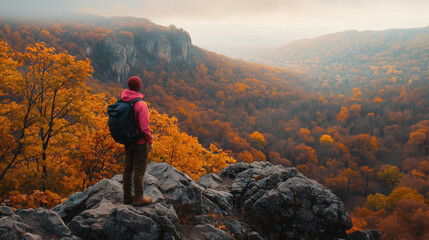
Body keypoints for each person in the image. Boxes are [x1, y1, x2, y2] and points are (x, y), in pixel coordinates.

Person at [121, 76, 153, 206]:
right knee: (139, 169)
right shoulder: (141, 104)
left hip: (128, 140)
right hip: (140, 142)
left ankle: (127, 196)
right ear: (139, 87)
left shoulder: (122, 101)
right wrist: (150, 141)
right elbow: (145, 128)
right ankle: (139, 197)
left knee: (128, 168)